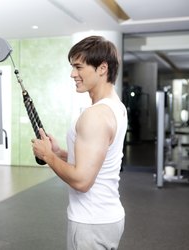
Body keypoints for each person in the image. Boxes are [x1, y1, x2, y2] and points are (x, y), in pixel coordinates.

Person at [32, 36, 127, 250]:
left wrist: (47, 156)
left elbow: (82, 181)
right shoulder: (116, 107)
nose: (72, 74)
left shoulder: (95, 116)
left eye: (78, 67)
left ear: (102, 68)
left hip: (91, 222)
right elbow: (98, 158)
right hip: (108, 216)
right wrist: (59, 152)